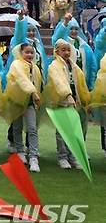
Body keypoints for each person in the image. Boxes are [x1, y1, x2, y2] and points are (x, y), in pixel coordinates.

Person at [44, 39, 90, 170]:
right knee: (62, 131)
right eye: (63, 50)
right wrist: (67, 94)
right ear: (56, 51)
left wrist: (86, 101)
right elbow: (59, 82)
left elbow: (81, 85)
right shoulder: (54, 66)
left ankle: (74, 156)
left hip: (74, 102)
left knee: (75, 131)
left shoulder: (74, 67)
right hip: (61, 102)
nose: (66, 52)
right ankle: (62, 157)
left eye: (68, 50)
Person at [2, 43, 43, 172]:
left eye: (32, 52)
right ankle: (20, 151)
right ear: (21, 52)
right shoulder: (16, 65)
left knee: (32, 128)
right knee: (17, 127)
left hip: (30, 102)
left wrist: (36, 95)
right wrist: (33, 92)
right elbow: (21, 79)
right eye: (27, 52)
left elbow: (38, 83)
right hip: (17, 100)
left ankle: (33, 156)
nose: (30, 55)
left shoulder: (35, 68)